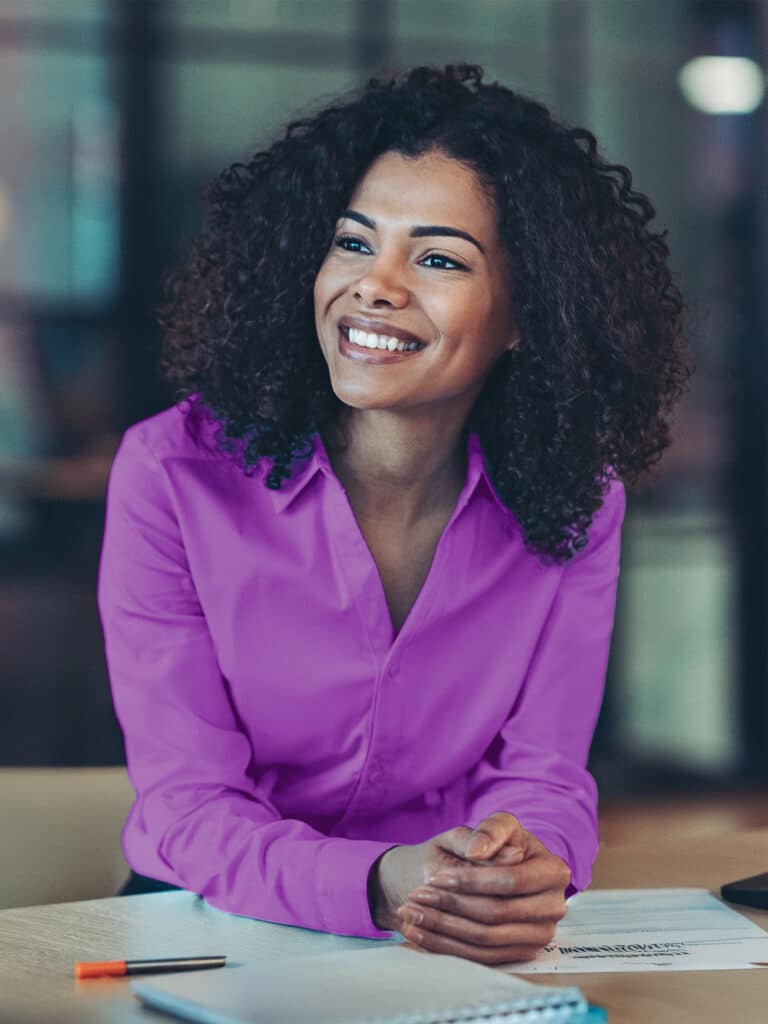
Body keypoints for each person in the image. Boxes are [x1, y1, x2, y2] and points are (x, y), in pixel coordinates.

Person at [98, 63, 690, 965]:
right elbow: (188, 805)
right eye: (353, 243)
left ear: (530, 314)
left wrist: (527, 866)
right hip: (208, 925)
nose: (375, 286)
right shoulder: (171, 475)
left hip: (446, 931)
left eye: (441, 259)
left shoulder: (577, 499)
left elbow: (545, 774)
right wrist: (380, 883)